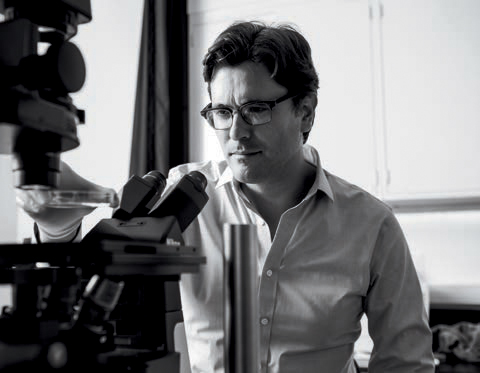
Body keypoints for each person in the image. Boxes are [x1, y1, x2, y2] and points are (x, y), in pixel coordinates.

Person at [20, 21, 435, 373]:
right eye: (222, 112)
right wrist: (57, 225)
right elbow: (89, 285)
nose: (235, 134)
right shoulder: (180, 197)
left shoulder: (371, 224)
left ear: (306, 111)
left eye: (255, 109)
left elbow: (406, 364)